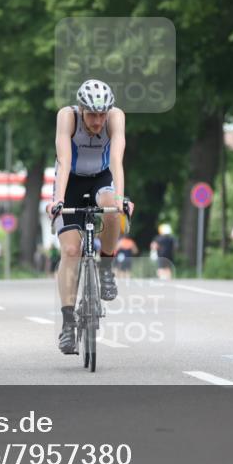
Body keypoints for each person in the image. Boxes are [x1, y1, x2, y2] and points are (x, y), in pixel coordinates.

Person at [46, 79, 133, 355]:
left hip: (101, 177)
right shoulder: (67, 116)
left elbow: (117, 161)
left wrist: (120, 199)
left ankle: (106, 270)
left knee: (110, 207)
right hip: (69, 181)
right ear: (82, 110)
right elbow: (65, 160)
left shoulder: (115, 117)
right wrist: (58, 201)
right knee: (72, 249)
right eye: (92, 114)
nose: (98, 121)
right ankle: (68, 323)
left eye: (102, 114)